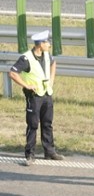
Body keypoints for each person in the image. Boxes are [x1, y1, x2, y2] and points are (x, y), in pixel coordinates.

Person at [9, 30, 64, 165]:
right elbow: (12, 73)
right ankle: (30, 154)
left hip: (46, 94)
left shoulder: (46, 55)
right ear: (40, 44)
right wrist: (26, 85)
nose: (49, 44)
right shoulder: (26, 58)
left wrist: (51, 80)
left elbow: (53, 63)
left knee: (47, 123)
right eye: (47, 42)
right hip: (34, 97)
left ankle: (49, 151)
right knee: (33, 125)